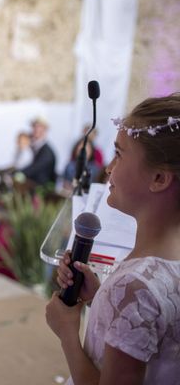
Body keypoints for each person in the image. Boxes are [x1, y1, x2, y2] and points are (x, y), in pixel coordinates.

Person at [46, 93, 180, 384]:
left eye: (119, 154)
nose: (108, 168)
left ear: (159, 179)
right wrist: (101, 298)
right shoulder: (162, 267)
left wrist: (68, 332)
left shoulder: (135, 286)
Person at [21, 115, 57, 188]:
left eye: (40, 127)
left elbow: (35, 168)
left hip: (41, 188)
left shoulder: (47, 152)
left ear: (45, 130)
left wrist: (20, 173)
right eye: (35, 126)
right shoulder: (30, 145)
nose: (36, 129)